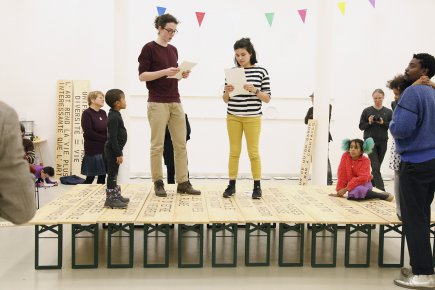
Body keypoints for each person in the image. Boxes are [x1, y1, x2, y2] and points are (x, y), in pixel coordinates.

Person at [138, 13, 200, 197]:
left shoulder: (173, 50)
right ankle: (158, 182)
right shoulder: (148, 48)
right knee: (157, 145)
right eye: (169, 30)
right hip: (157, 102)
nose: (172, 34)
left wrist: (181, 74)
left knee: (180, 144)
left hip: (175, 100)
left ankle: (183, 182)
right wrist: (165, 71)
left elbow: (171, 76)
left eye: (174, 31)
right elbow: (142, 76)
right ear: (159, 27)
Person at [390, 53, 435, 289]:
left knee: (414, 220)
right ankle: (423, 265)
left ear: (424, 70)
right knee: (423, 217)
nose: (407, 69)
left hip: (415, 164)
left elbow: (401, 129)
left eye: (412, 65)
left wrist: (392, 122)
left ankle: (423, 274)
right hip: (432, 161)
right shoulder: (433, 92)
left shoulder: (412, 92)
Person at [222, 38, 271, 199]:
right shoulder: (232, 72)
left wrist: (255, 90)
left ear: (251, 53)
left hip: (253, 118)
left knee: (253, 153)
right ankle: (231, 185)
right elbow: (225, 99)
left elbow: (267, 98)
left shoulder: (261, 72)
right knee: (234, 152)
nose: (240, 58)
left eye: (243, 54)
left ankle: (257, 187)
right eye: (237, 55)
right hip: (233, 116)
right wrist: (227, 91)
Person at [0, 101, 36, 224]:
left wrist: (24, 158)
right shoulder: (4, 115)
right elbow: (22, 210)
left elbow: (31, 158)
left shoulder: (28, 143)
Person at [358, 89, 392, 191]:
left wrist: (383, 123)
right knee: (376, 166)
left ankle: (370, 186)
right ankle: (382, 191)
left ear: (383, 97)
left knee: (376, 168)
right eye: (375, 98)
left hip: (383, 141)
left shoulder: (389, 112)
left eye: (379, 98)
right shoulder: (366, 111)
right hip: (369, 142)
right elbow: (361, 126)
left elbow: (392, 125)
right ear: (373, 98)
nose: (377, 100)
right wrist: (369, 122)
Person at [104, 89, 130, 209]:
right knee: (112, 174)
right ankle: (110, 199)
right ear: (117, 103)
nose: (125, 101)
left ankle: (116, 195)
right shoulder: (113, 116)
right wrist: (118, 153)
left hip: (115, 149)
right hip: (113, 150)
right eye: (123, 99)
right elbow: (113, 137)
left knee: (115, 173)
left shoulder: (115, 113)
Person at [304, 93, 333, 185]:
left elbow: (325, 116)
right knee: (315, 157)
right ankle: (317, 177)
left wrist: (312, 116)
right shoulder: (311, 109)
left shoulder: (327, 106)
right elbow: (306, 120)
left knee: (325, 157)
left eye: (313, 98)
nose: (312, 100)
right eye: (312, 98)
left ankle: (328, 179)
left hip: (324, 137)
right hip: (313, 136)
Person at [81, 91, 107, 184]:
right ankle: (81, 196)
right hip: (92, 149)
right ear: (92, 100)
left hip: (103, 148)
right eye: (100, 97)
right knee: (90, 177)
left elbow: (106, 130)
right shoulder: (87, 113)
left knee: (102, 176)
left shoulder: (103, 113)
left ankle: (99, 196)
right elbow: (88, 132)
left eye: (103, 97)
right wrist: (105, 139)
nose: (103, 99)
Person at [163, 114, 190, 184]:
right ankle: (171, 187)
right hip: (168, 145)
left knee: (183, 168)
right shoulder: (164, 116)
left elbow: (188, 131)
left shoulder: (183, 115)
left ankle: (186, 184)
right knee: (170, 169)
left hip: (179, 145)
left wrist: (182, 140)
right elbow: (162, 132)